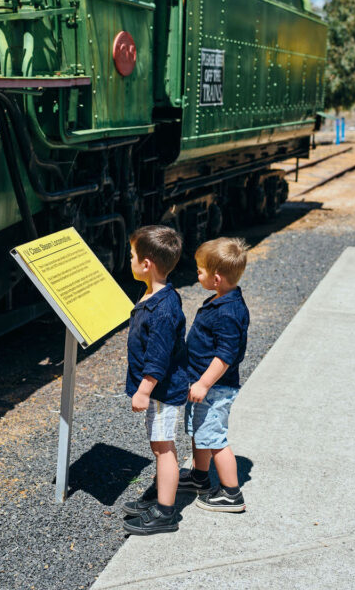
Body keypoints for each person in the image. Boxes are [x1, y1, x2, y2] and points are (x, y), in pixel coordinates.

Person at [121, 225, 189, 535]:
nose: (129, 260)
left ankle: (165, 512)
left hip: (162, 390)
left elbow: (158, 357)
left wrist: (144, 390)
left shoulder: (163, 309)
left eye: (132, 255)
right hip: (159, 390)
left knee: (164, 448)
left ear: (146, 264)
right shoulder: (155, 293)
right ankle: (161, 496)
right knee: (158, 444)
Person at [177, 236, 250, 512]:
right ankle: (199, 476)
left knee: (215, 439)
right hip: (202, 384)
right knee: (201, 433)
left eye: (200, 270)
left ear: (216, 278)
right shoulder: (222, 299)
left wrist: (205, 383)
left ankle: (232, 494)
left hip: (215, 388)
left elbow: (225, 356)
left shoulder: (228, 312)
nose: (197, 274)